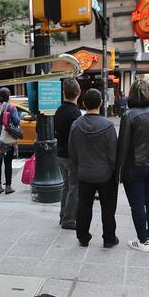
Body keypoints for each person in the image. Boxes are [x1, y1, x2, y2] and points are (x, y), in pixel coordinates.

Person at [117, 80, 149, 252]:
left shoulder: (129, 115)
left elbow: (123, 146)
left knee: (137, 204)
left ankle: (142, 241)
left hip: (135, 166)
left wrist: (119, 172)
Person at [69, 89, 120, 248]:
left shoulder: (76, 125)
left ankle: (83, 237)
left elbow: (72, 151)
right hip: (105, 174)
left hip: (84, 173)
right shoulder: (108, 126)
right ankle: (109, 238)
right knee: (108, 208)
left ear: (84, 104)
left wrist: (79, 166)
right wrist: (115, 173)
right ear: (101, 103)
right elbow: (113, 154)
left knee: (84, 206)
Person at [54, 79, 82, 230]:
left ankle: (63, 214)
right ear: (79, 92)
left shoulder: (59, 110)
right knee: (74, 187)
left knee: (66, 185)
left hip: (60, 153)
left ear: (64, 93)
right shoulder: (75, 112)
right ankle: (69, 219)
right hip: (71, 156)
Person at [0, 87, 20, 194]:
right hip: (5, 137)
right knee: (8, 162)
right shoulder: (11, 107)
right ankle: (8, 187)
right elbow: (16, 120)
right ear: (8, 97)